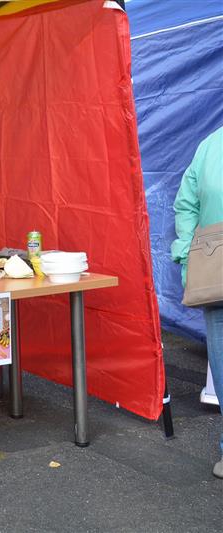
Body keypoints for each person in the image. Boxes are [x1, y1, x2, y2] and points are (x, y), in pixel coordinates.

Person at [171, 125, 223, 480]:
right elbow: (186, 203)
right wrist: (188, 255)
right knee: (222, 369)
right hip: (216, 274)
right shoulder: (211, 144)